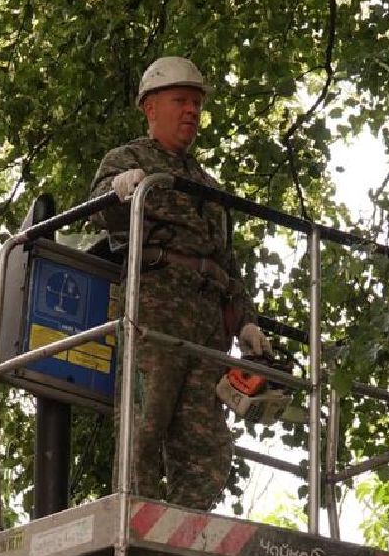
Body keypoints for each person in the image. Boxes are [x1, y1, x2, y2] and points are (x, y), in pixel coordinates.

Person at [90, 56, 268, 510]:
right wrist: (118, 190)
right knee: (145, 427)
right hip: (154, 315)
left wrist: (247, 322)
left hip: (208, 327)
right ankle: (138, 521)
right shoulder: (128, 160)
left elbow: (228, 262)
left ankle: (183, 526)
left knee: (209, 447)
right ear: (151, 107)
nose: (191, 111)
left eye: (196, 103)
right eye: (180, 101)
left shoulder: (208, 186)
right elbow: (99, 212)